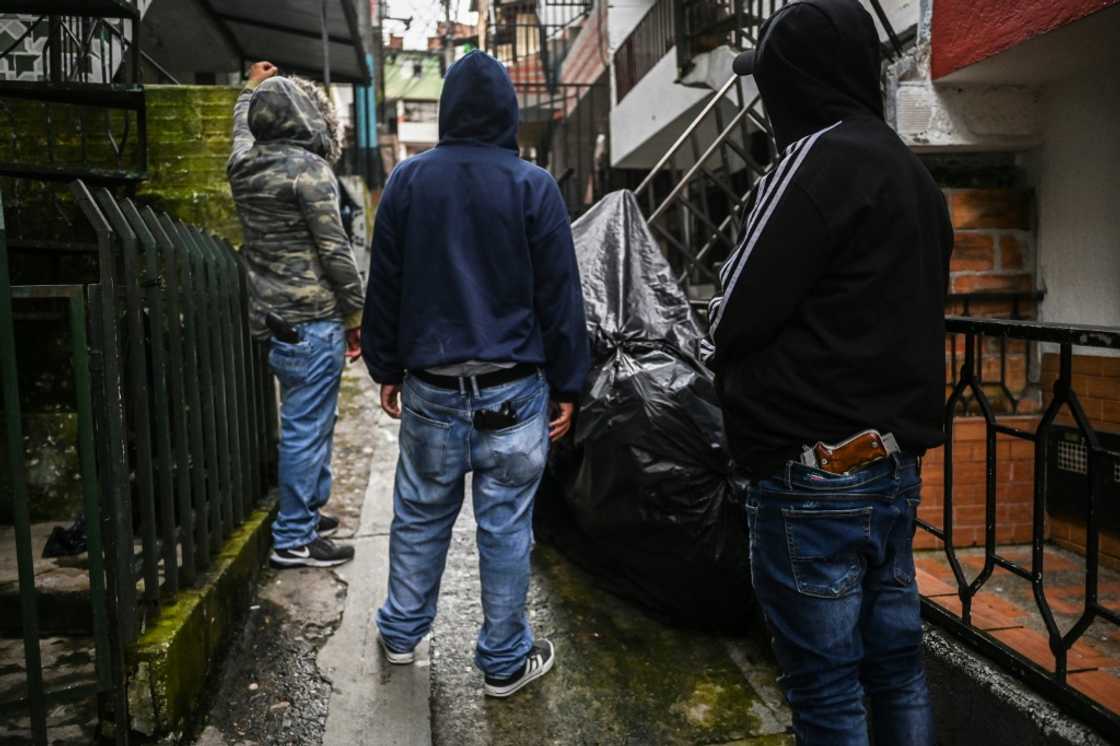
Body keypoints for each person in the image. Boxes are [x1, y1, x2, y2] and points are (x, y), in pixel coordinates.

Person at [706, 1, 953, 744]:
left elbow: (728, 319)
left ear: (796, 78)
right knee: (896, 671)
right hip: (890, 468)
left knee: (826, 692)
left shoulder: (817, 158)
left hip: (812, 475)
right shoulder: (914, 177)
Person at [361, 50, 590, 698]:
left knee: (420, 514)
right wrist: (570, 383)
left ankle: (402, 632)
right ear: (508, 113)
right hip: (513, 391)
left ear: (447, 110)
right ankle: (503, 662)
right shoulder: (532, 185)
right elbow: (559, 296)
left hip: (430, 388)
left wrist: (386, 366)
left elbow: (387, 286)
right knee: (507, 526)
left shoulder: (407, 182)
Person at [228, 61, 365, 568]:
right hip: (313, 319)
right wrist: (356, 315)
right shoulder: (312, 172)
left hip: (271, 319)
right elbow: (336, 252)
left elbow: (241, 130)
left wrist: (249, 90)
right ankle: (294, 538)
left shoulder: (243, 165)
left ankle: (305, 511)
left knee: (306, 424)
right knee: (308, 428)